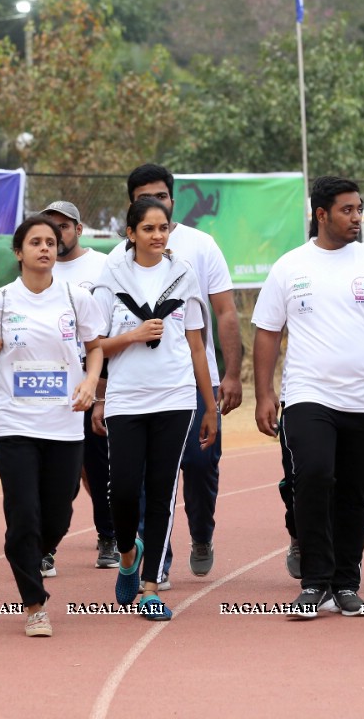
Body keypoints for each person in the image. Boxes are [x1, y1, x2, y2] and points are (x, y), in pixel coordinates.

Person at [254, 176, 364, 618]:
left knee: (354, 491)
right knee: (314, 476)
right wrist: (264, 394)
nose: (358, 218)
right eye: (348, 210)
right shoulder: (290, 266)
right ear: (321, 214)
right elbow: (266, 332)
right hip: (307, 394)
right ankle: (314, 581)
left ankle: (346, 582)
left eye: (360, 209)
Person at [0, 215, 104, 637]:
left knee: (58, 516)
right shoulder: (2, 300)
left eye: (50, 241)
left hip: (65, 424)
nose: (45, 248)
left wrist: (89, 383)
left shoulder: (75, 296)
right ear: (19, 252)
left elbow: (96, 346)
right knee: (23, 514)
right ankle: (34, 604)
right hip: (15, 425)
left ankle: (31, 552)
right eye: (35, 242)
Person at [92, 197, 217, 621]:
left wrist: (210, 406)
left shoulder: (183, 275)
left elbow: (197, 343)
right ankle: (129, 553)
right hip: (126, 396)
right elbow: (93, 346)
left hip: (175, 395)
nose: (157, 235)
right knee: (123, 490)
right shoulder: (110, 276)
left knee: (163, 491)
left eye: (163, 228)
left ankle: (149, 586)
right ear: (130, 233)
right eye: (148, 228)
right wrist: (131, 336)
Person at [124, 164, 243, 584]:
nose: (154, 203)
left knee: (199, 462)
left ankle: (202, 534)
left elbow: (225, 311)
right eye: (143, 197)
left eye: (161, 195)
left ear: (173, 200)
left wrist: (231, 373)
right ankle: (159, 561)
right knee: (147, 474)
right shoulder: (118, 257)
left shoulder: (201, 245)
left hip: (197, 378)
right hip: (141, 383)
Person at [39, 200, 116, 572]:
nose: (56, 235)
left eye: (64, 227)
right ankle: (46, 545)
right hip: (47, 385)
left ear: (79, 229)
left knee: (100, 467)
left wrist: (100, 391)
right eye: (49, 228)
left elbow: (108, 332)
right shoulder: (35, 268)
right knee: (57, 473)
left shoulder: (103, 266)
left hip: (93, 380)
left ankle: (109, 537)